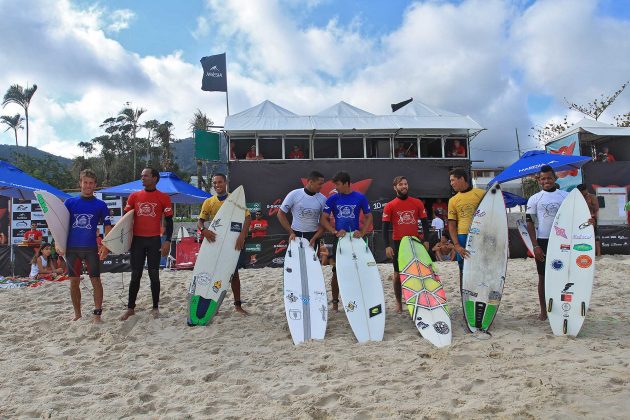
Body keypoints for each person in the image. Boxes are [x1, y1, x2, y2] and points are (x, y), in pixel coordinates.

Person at [115, 168, 173, 321]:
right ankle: (130, 308)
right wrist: (122, 240)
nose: (142, 178)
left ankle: (155, 307)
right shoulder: (134, 196)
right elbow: (125, 220)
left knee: (154, 275)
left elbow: (169, 221)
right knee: (136, 275)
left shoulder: (163, 197)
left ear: (154, 178)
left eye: (146, 176)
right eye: (141, 176)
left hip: (154, 240)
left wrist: (167, 240)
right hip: (137, 241)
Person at [61, 169, 111, 321]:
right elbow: (60, 225)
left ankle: (97, 314)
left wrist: (106, 246)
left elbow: (108, 227)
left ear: (95, 185)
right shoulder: (69, 202)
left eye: (91, 183)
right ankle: (77, 314)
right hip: (72, 249)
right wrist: (58, 243)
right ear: (80, 183)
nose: (88, 186)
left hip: (90, 248)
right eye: (85, 182)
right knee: (74, 282)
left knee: (95, 280)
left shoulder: (101, 205)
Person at [319, 171, 373, 312]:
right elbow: (323, 219)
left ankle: (359, 301)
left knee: (358, 271)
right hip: (340, 239)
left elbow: (369, 216)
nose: (335, 187)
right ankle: (335, 304)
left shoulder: (360, 197)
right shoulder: (333, 199)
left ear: (346, 183)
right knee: (337, 272)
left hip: (355, 240)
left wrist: (362, 232)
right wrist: (334, 231)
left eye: (337, 184)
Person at [197, 173, 251, 315]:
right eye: (214, 183)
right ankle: (212, 305)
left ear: (225, 182)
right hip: (215, 242)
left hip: (233, 241)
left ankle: (238, 305)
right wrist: (204, 231)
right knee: (212, 273)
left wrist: (242, 236)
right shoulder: (209, 202)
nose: (217, 185)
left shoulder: (235, 199)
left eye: (219, 182)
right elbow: (200, 221)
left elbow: (248, 218)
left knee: (233, 274)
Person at [525, 165, 569, 321]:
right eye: (543, 178)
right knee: (543, 277)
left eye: (549, 178)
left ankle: (561, 307)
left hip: (563, 241)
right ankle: (544, 311)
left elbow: (576, 216)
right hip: (543, 241)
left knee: (562, 276)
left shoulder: (565, 196)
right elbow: (529, 223)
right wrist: (535, 245)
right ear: (539, 180)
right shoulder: (535, 199)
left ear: (554, 178)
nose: (546, 181)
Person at [382, 176, 430, 312]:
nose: (404, 186)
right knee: (397, 274)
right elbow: (385, 228)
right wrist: (387, 245)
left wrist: (426, 240)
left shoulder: (417, 202)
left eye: (405, 184)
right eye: (401, 184)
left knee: (417, 272)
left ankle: (418, 300)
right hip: (398, 243)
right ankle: (399, 303)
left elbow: (425, 223)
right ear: (395, 187)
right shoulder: (390, 205)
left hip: (414, 242)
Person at [446, 168, 485, 287]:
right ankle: (465, 298)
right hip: (462, 236)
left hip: (480, 234)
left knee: (481, 267)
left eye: (453, 180)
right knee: (463, 269)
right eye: (450, 181)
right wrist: (456, 245)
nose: (451, 183)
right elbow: (451, 224)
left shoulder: (481, 194)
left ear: (462, 178)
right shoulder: (453, 200)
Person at [277, 171, 327, 249]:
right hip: (295, 234)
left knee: (312, 261)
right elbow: (280, 214)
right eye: (319, 184)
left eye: (322, 184)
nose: (321, 186)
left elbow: (326, 222)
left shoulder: (323, 199)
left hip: (313, 235)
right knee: (296, 261)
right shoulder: (294, 194)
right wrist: (291, 232)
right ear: (310, 182)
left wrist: (315, 237)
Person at [577, 184, 601, 256]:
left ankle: (599, 253)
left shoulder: (592, 197)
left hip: (591, 218)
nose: (581, 193)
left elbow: (596, 208)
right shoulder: (578, 197)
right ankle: (586, 251)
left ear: (586, 190)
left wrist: (586, 203)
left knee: (595, 236)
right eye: (580, 192)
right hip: (581, 219)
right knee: (583, 236)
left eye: (582, 191)